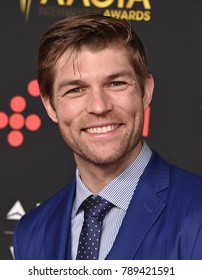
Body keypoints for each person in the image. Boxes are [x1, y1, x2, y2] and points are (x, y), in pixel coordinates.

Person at [14, 13, 202, 260]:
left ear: (146, 91)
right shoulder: (30, 232)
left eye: (116, 84)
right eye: (76, 89)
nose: (99, 106)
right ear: (50, 106)